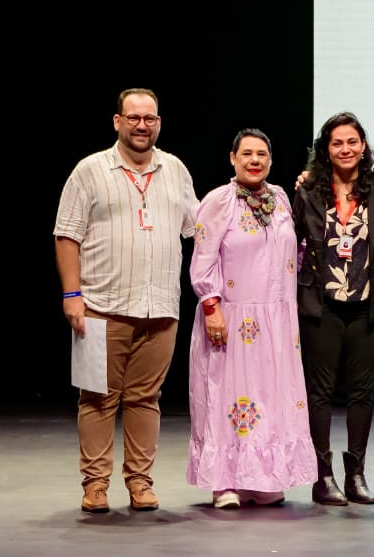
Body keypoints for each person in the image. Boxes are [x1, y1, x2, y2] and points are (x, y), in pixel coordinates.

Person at [54, 88, 198, 513]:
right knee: (97, 398)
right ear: (117, 121)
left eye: (149, 118)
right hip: (101, 305)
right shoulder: (90, 170)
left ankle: (139, 482)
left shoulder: (175, 169)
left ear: (158, 123)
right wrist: (71, 295)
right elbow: (66, 234)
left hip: (160, 308)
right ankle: (96, 485)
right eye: (133, 117)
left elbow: (199, 228)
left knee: (145, 399)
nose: (141, 125)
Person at [186, 129, 317, 509]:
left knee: (271, 397)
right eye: (247, 153)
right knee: (230, 397)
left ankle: (263, 478)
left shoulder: (280, 198)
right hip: (232, 314)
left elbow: (295, 249)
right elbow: (203, 258)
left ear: (271, 160)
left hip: (277, 318)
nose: (254, 160)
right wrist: (211, 308)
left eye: (262, 154)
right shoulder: (219, 201)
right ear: (233, 158)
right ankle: (225, 481)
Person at [292, 112, 374, 506]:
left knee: (362, 394)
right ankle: (323, 476)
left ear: (363, 146)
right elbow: (290, 242)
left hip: (368, 305)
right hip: (322, 305)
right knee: (320, 393)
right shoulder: (308, 189)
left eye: (352, 142)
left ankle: (356, 475)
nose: (346, 149)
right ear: (326, 149)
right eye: (337, 143)